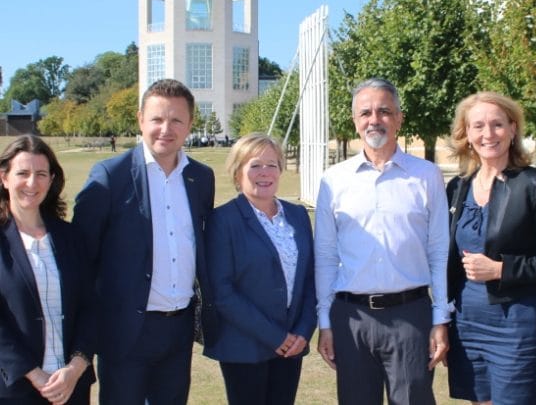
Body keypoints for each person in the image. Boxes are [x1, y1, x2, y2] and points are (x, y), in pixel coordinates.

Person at [72, 79, 216, 405]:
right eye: (157, 119)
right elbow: (82, 257)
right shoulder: (110, 176)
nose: (166, 128)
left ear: (190, 124)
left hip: (178, 330)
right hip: (125, 331)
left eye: (177, 120)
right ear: (140, 120)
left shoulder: (201, 178)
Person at [315, 78, 450, 405]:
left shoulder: (427, 175)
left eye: (384, 111)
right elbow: (326, 257)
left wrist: (440, 318)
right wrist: (325, 323)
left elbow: (439, 251)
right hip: (351, 321)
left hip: (411, 317)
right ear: (355, 122)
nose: (374, 119)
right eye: (365, 113)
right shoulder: (334, 181)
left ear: (399, 118)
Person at [446, 91, 536, 405]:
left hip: (519, 327)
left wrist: (501, 269)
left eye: (497, 124)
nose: (488, 134)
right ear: (466, 134)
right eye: (478, 126)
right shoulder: (457, 188)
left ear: (513, 129)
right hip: (467, 325)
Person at [204, 133, 317, 405]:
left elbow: (311, 279)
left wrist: (302, 332)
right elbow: (222, 292)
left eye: (272, 164)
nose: (264, 172)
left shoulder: (298, 216)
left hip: (291, 347)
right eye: (254, 165)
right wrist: (275, 337)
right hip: (244, 347)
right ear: (238, 172)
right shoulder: (222, 220)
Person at [0, 135, 95, 404]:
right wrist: (35, 375)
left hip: (72, 387)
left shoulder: (71, 237)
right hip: (15, 388)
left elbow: (90, 306)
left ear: (51, 180)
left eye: (41, 174)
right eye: (23, 173)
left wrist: (75, 368)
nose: (32, 183)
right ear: (4, 178)